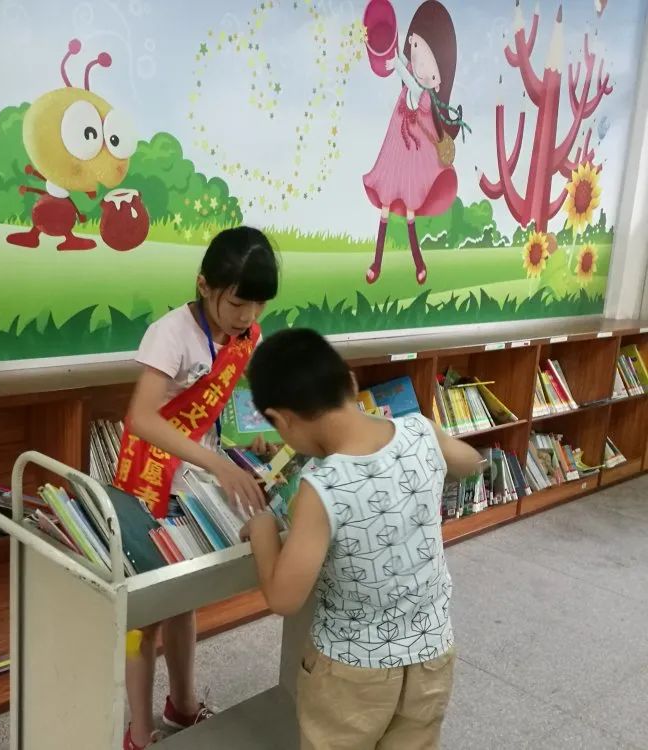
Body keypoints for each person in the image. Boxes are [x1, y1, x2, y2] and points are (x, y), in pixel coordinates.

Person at [241, 328, 483, 749]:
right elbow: (471, 462)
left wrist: (263, 529)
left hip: (352, 671)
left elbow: (284, 598)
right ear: (352, 383)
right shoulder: (420, 430)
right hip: (431, 653)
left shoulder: (322, 488)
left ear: (282, 420)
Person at [115, 225, 279, 749]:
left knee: (184, 597)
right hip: (147, 479)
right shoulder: (170, 334)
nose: (247, 316)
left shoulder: (245, 334)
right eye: (237, 303)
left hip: (194, 482)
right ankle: (139, 732)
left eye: (258, 304)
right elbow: (142, 418)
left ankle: (183, 707)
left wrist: (259, 434)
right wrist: (217, 463)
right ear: (204, 285)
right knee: (145, 613)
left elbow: (242, 392)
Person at [363, 0, 469, 286]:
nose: (421, 67)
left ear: (439, 82)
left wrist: (396, 64)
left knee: (409, 211)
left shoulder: (423, 95)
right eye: (418, 49)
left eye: (432, 72)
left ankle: (419, 263)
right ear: (411, 41)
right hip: (395, 154)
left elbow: (410, 82)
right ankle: (376, 262)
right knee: (385, 207)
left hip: (414, 161)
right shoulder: (409, 71)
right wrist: (387, 51)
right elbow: (401, 65)